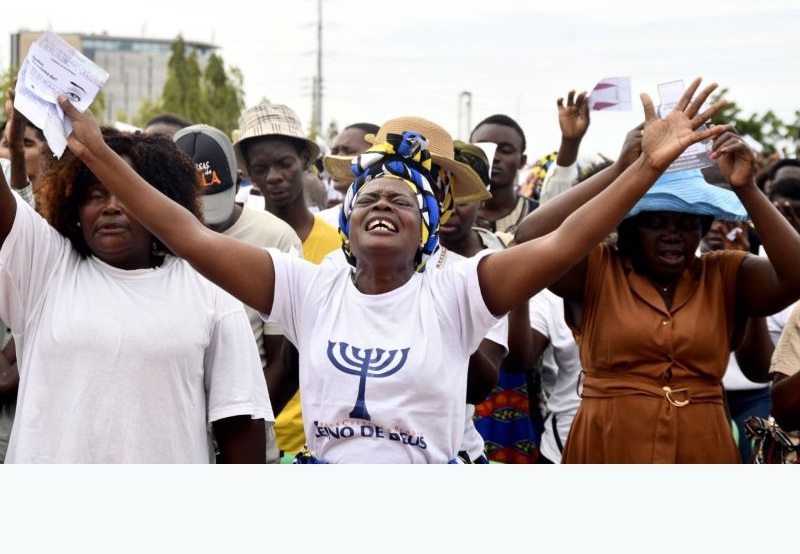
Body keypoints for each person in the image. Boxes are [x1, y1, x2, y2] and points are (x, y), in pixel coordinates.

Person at [57, 77, 730, 463]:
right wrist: (95, 153)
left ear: (427, 225)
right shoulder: (305, 287)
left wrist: (640, 168)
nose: (383, 205)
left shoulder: (460, 291)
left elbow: (560, 243)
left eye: (401, 201)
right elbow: (181, 228)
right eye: (369, 198)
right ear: (346, 222)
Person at [515, 85, 800, 463]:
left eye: (686, 223)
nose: (673, 234)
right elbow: (530, 238)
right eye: (656, 222)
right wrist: (623, 170)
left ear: (702, 229)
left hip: (704, 447)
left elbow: (795, 276)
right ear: (629, 228)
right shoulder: (596, 270)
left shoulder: (726, 274)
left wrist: (747, 188)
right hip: (608, 445)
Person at [0, 100, 272, 463]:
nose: (111, 206)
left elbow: (240, 424)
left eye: (127, 194)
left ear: (159, 203)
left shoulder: (210, 290)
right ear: (74, 210)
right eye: (95, 195)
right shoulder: (44, 266)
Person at [173, 123, 303, 463]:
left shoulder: (276, 238)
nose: (204, 222)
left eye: (213, 204)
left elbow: (285, 360)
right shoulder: (152, 234)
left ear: (239, 182)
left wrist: (239, 426)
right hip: (174, 440)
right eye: (192, 206)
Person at [232, 102, 341, 457]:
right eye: (260, 168)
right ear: (247, 171)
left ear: (305, 163)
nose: (274, 176)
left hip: (322, 430)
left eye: (284, 163)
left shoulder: (341, 246)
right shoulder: (234, 243)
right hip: (254, 433)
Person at [470, 113, 538, 235]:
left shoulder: (539, 216)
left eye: (505, 151)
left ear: (522, 161)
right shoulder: (443, 214)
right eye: (483, 149)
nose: (494, 157)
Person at [317, 122, 380, 227]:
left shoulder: (396, 220)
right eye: (334, 151)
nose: (338, 158)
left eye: (349, 151)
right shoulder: (320, 222)